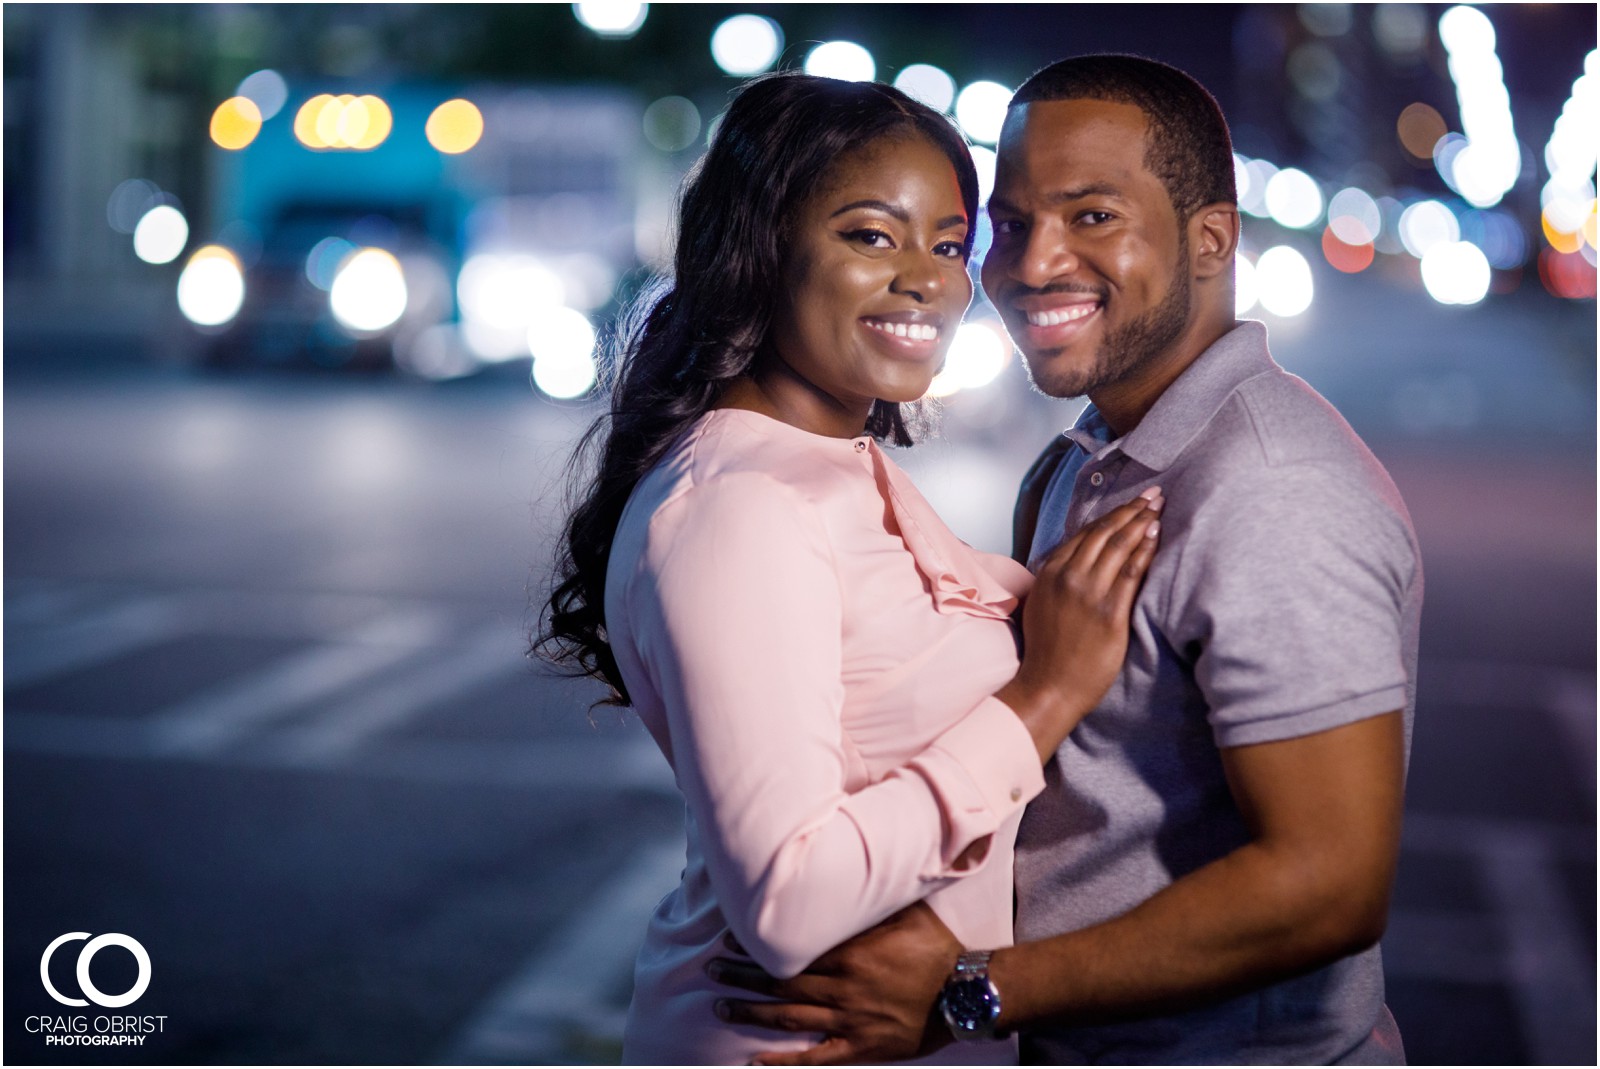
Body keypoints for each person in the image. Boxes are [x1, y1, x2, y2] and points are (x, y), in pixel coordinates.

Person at [710, 54, 1423, 1065]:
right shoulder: (1090, 455)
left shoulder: (1271, 487)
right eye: (1008, 222)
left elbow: (1328, 880)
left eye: (1092, 216)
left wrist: (977, 989)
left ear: (1210, 239)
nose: (1032, 263)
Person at [539, 71, 1169, 1065]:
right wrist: (1043, 695)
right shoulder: (743, 505)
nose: (927, 277)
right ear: (761, 245)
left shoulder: (838, 462)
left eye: (950, 244)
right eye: (872, 235)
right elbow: (788, 902)